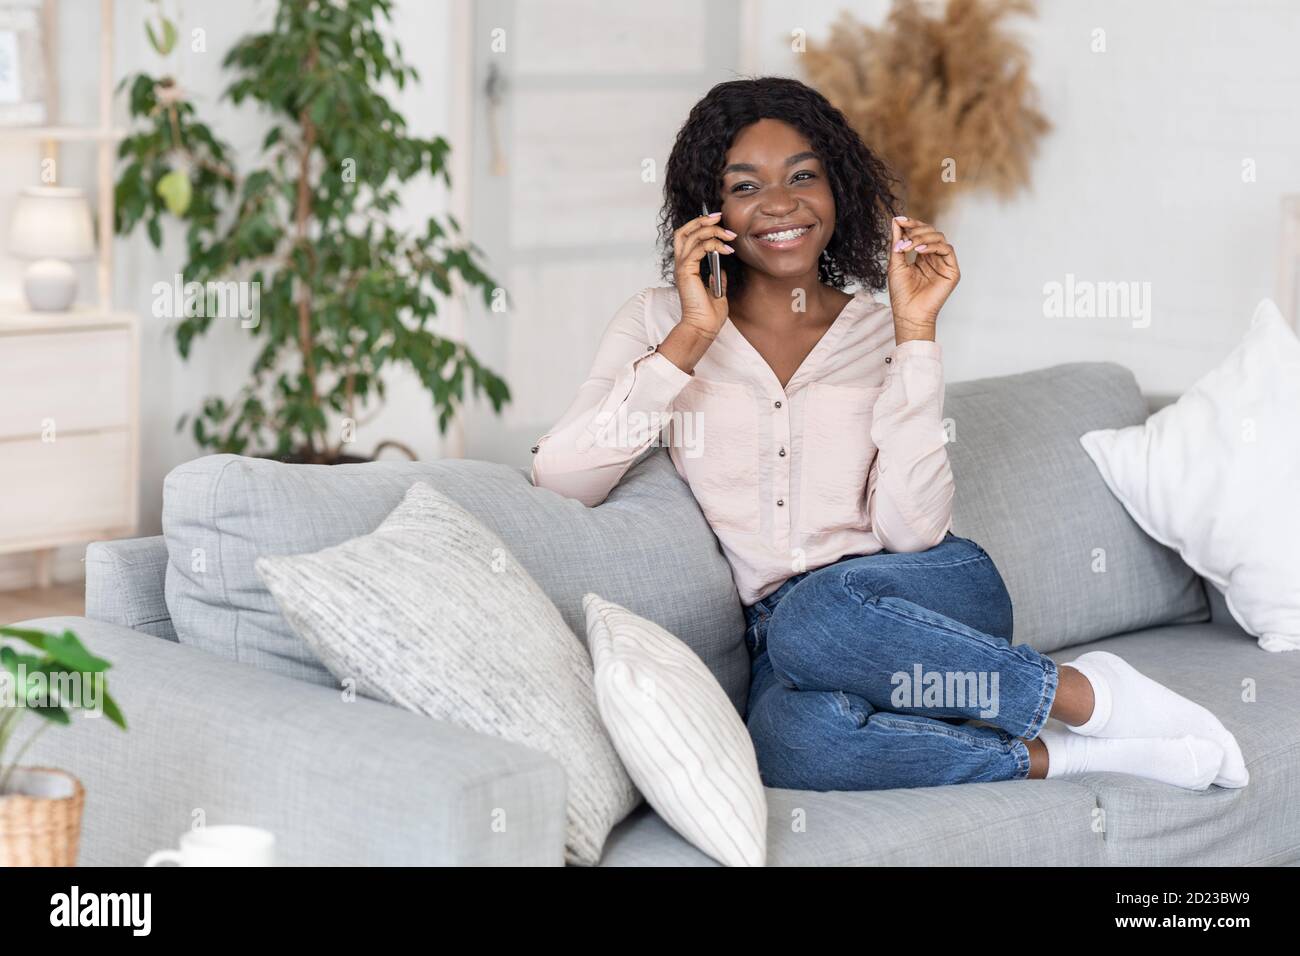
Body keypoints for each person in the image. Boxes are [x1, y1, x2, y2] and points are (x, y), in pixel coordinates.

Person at [530, 77, 1247, 793]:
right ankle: (1070, 756)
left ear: (837, 190)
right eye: (747, 187)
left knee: (815, 617)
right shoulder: (658, 322)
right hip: (791, 636)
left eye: (803, 177)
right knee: (790, 743)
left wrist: (916, 335)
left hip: (925, 590)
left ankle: (1090, 698)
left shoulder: (879, 329)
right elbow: (564, 475)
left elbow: (912, 530)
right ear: (711, 211)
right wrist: (690, 338)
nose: (780, 204)